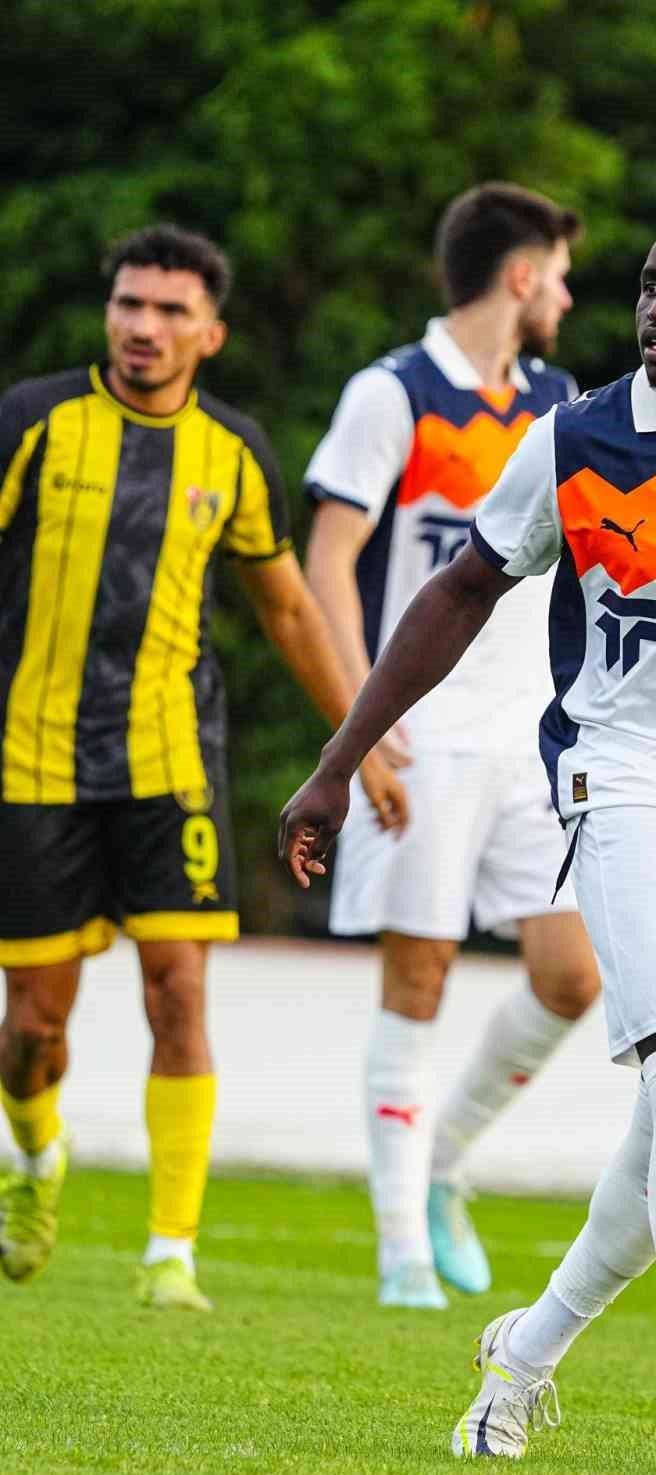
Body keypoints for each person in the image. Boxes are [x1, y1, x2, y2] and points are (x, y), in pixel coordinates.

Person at [279, 191, 656, 1475]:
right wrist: (340, 760)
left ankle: (523, 1355)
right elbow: (458, 592)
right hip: (618, 784)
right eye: (648, 285)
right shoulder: (575, 439)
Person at [0, 224, 407, 1311]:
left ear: (210, 333)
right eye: (129, 304)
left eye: (170, 310)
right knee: (33, 1028)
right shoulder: (32, 422)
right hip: (31, 760)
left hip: (171, 761)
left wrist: (358, 746)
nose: (143, 326)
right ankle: (35, 1154)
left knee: (177, 989)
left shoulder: (232, 451)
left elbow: (289, 609)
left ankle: (170, 1252)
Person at [302, 183, 601, 1311]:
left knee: (572, 978)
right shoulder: (393, 393)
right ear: (520, 275)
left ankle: (441, 1164)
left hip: (535, 737)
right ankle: (401, 1259)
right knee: (417, 979)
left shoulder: (561, 404)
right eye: (559, 275)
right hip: (421, 733)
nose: (567, 297)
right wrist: (360, 729)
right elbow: (328, 562)